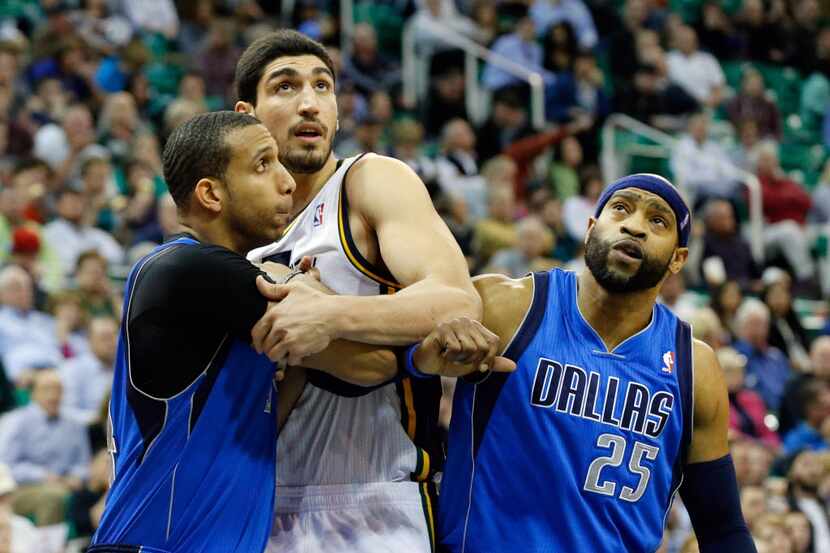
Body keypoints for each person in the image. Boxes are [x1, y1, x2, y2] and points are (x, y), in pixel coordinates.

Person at [89, 111, 401, 553]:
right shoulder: (191, 269)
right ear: (211, 194)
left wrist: (303, 325)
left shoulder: (219, 300)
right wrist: (302, 287)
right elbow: (372, 365)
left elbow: (263, 423)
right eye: (262, 165)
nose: (287, 181)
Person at [235, 30, 482, 552]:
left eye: (322, 87)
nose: (309, 102)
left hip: (378, 497)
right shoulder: (237, 237)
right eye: (285, 87)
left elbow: (457, 299)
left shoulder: (369, 181)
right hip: (259, 502)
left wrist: (330, 316)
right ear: (247, 115)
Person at [425, 174, 756, 552]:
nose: (634, 226)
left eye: (657, 221)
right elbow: (393, 372)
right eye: (621, 209)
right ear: (590, 229)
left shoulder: (694, 366)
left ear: (678, 259)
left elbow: (723, 529)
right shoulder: (507, 306)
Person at [0, 370, 91, 526]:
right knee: (53, 496)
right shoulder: (16, 421)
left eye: (58, 389)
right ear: (33, 393)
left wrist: (76, 476)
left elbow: (83, 462)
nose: (53, 395)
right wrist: (42, 476)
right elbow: (5, 465)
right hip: (22, 488)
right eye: (47, 389)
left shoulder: (74, 424)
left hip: (67, 485)